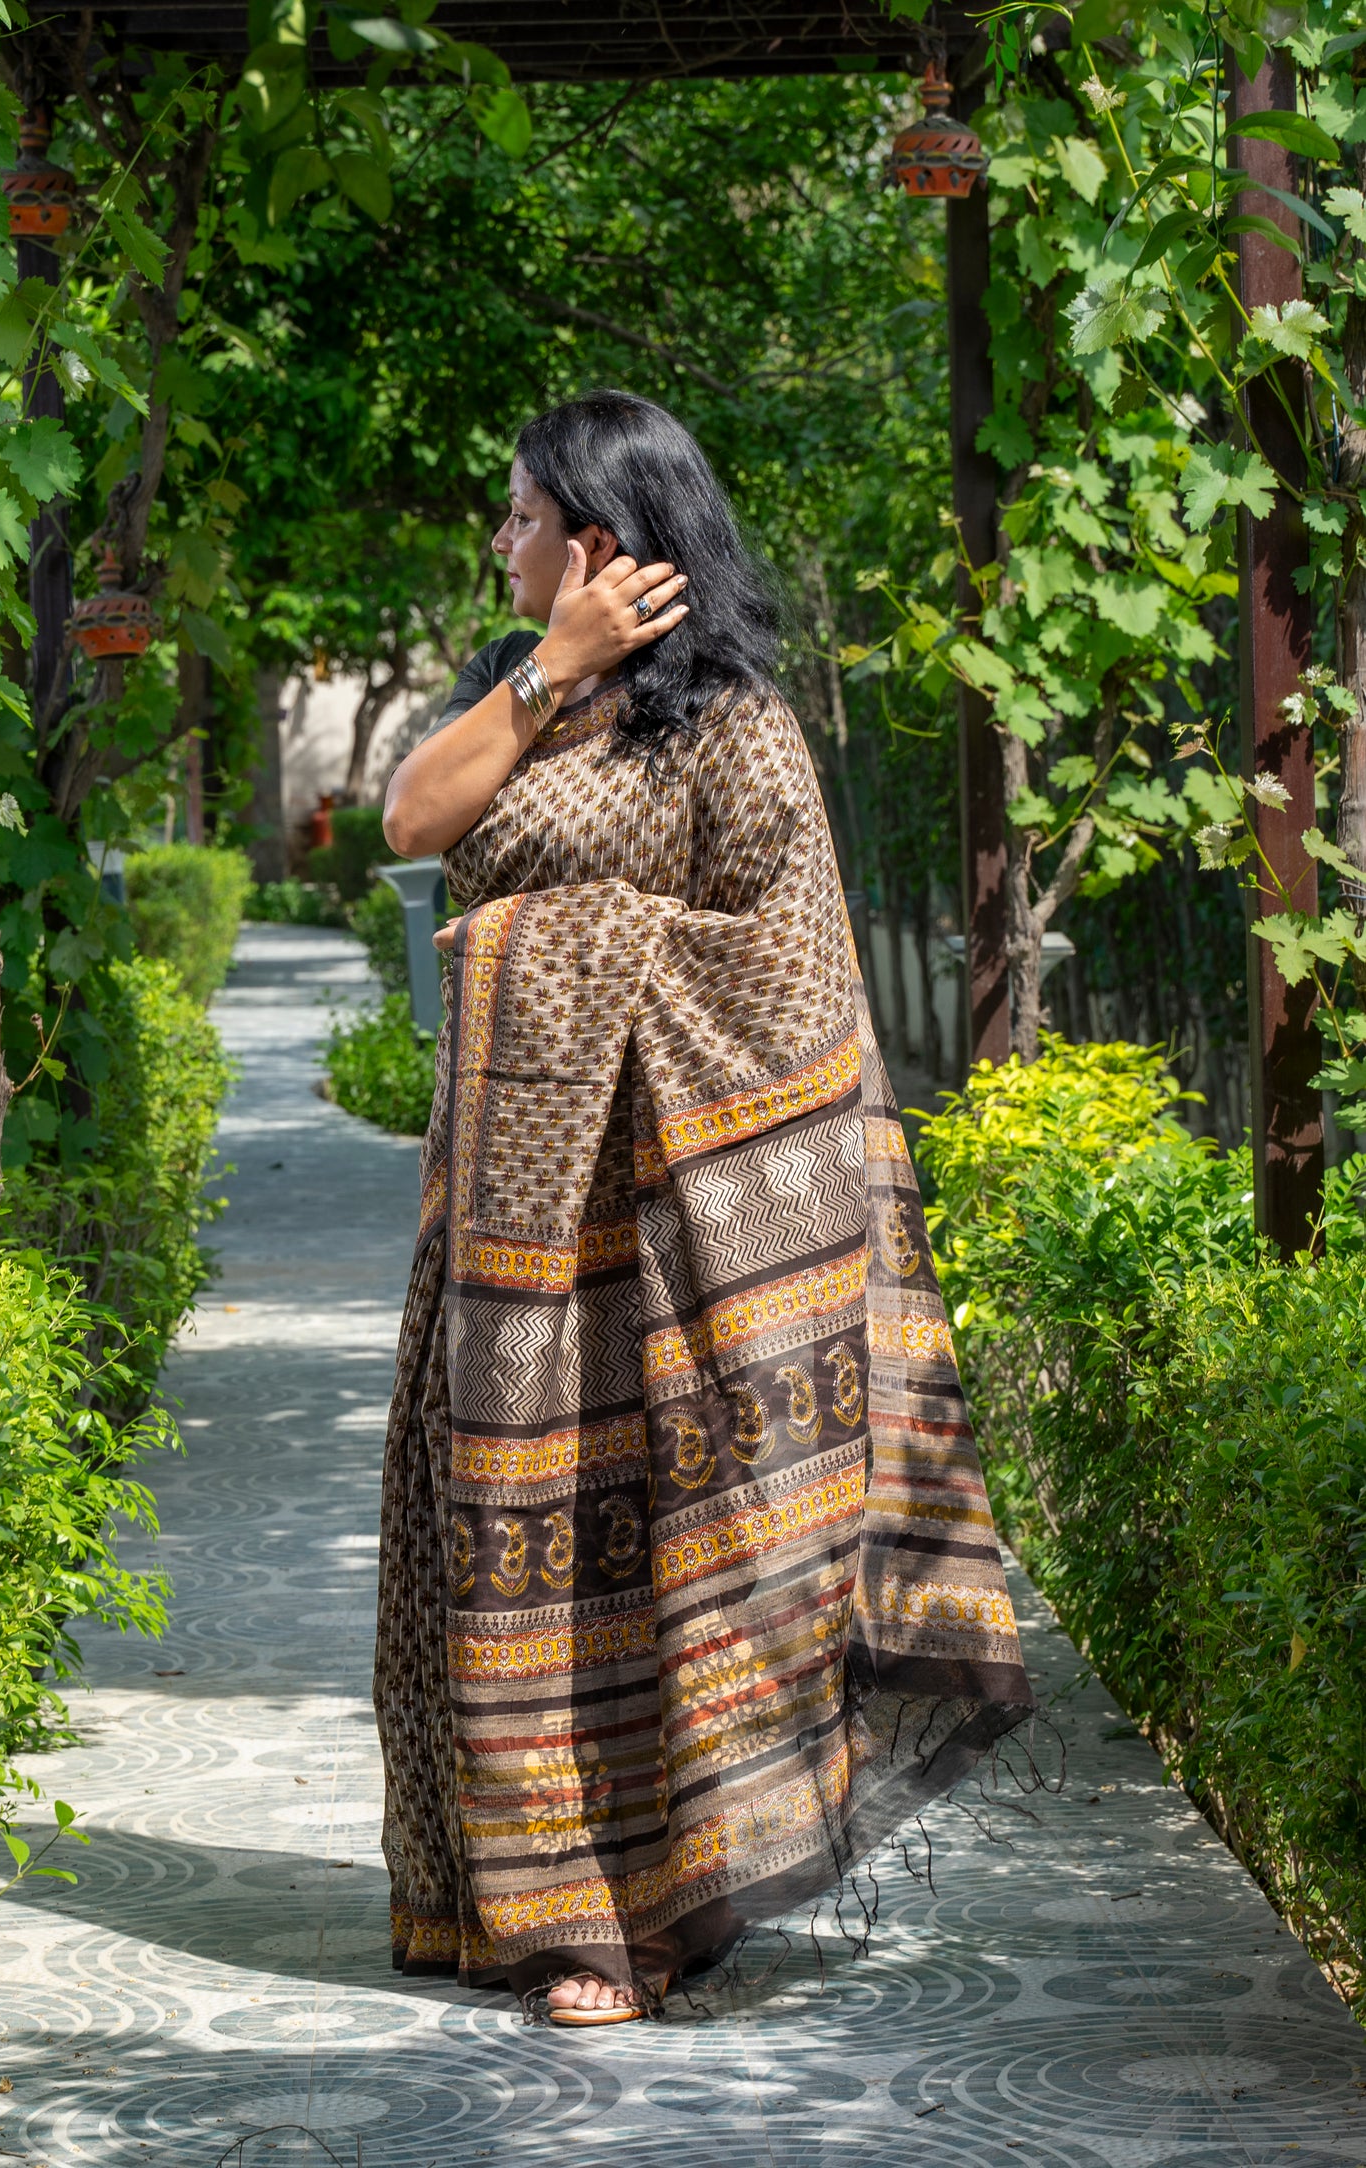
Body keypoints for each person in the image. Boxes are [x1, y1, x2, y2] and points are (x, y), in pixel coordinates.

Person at [374, 390, 1032, 2029]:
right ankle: (529, 1909)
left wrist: (554, 951)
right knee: (497, 1551)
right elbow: (409, 824)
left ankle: (645, 1912)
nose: (500, 541)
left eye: (522, 516)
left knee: (659, 1561)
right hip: (509, 1236)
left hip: (673, 1239)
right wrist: (545, 671)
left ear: (600, 537)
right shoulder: (509, 702)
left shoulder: (733, 728)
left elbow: (793, 977)